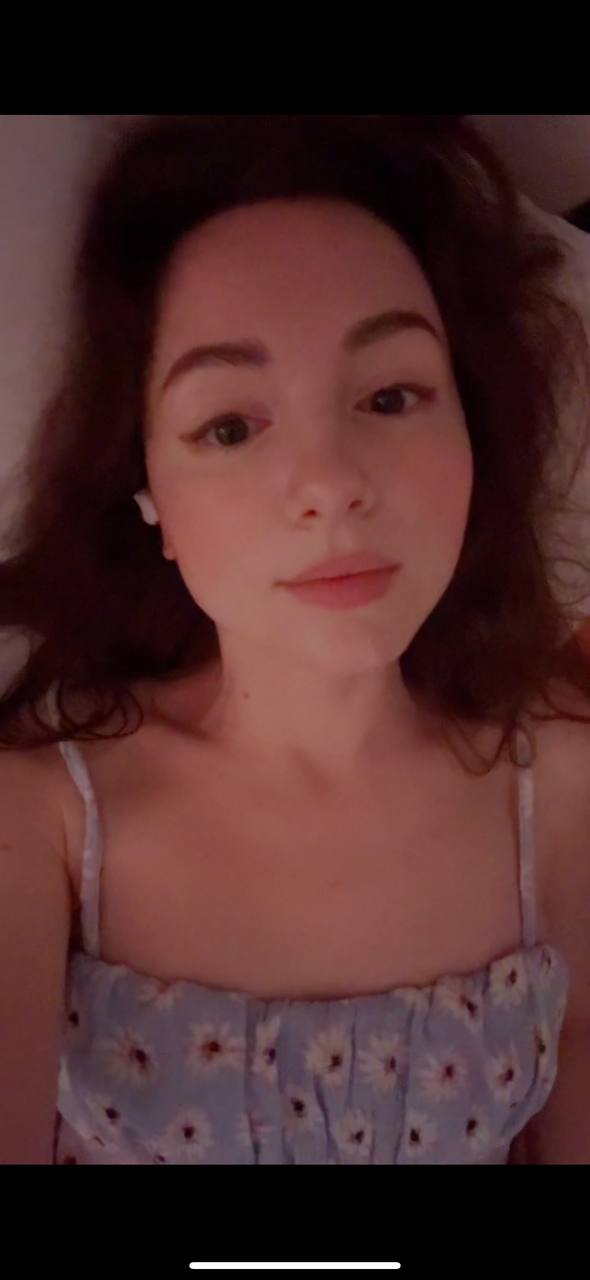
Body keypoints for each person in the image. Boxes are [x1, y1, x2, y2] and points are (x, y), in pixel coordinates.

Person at [1, 114, 590, 1165]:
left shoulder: (561, 785)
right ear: (147, 492)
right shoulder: (39, 821)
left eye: (391, 396)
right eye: (229, 426)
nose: (329, 483)